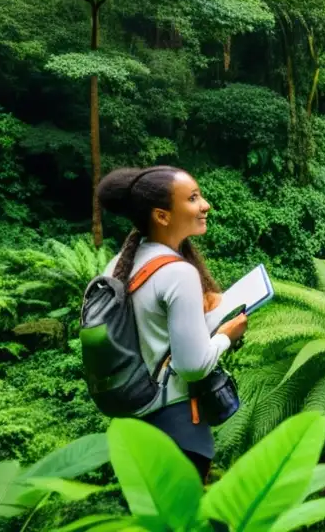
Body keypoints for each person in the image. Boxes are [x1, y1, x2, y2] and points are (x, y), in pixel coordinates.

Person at [95, 165, 247, 481]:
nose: (205, 205)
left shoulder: (118, 263)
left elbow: (149, 331)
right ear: (163, 216)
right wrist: (225, 336)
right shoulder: (178, 273)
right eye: (193, 198)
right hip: (177, 427)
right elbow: (192, 366)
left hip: (133, 428)